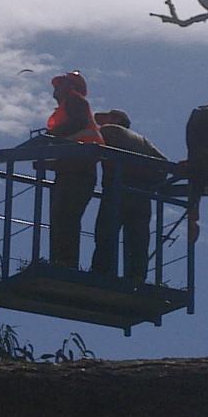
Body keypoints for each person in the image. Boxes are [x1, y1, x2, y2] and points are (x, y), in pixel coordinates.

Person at [89, 109, 168, 285]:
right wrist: (150, 182)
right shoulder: (142, 140)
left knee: (106, 233)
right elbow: (163, 163)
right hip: (141, 194)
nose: (102, 122)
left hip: (117, 190)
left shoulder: (109, 130)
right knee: (138, 238)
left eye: (107, 117)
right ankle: (137, 277)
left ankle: (101, 272)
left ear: (117, 119)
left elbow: (89, 147)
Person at [45, 72, 104, 269]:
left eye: (60, 84)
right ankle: (60, 261)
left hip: (79, 169)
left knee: (66, 216)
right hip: (71, 168)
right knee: (62, 216)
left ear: (71, 86)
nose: (56, 88)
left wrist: (50, 136)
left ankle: (65, 262)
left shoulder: (75, 101)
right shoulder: (67, 106)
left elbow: (76, 125)